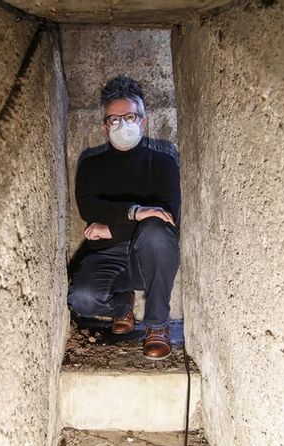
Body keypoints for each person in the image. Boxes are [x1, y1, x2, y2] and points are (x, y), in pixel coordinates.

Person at [66, 75, 181, 360]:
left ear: (142, 121)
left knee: (155, 230)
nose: (122, 124)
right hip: (107, 256)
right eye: (114, 119)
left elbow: (167, 217)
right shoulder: (91, 165)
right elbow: (89, 209)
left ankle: (156, 325)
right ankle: (122, 306)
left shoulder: (164, 163)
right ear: (105, 125)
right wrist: (136, 212)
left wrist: (111, 228)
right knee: (81, 299)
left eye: (129, 116)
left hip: (149, 257)